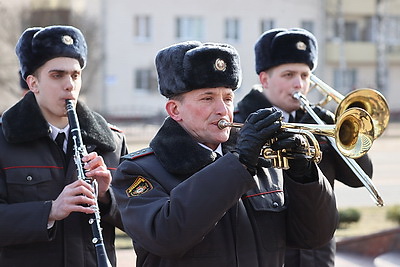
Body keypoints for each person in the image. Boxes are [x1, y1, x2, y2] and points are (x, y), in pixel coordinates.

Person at [112, 40, 338, 267]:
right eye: (208, 98)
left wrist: (305, 176)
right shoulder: (139, 170)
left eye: (228, 98)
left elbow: (313, 236)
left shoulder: (263, 162)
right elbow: (166, 236)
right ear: (175, 110)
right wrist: (239, 163)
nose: (223, 110)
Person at [234, 28, 373, 267]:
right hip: (267, 252)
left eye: (305, 75)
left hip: (318, 253)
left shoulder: (321, 122)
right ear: (264, 79)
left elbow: (359, 177)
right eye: (288, 74)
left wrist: (335, 127)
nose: (299, 84)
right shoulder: (240, 123)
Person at [0, 25, 128, 266]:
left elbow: (142, 221)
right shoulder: (3, 140)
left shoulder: (113, 142)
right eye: (57, 75)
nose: (70, 85)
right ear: (33, 83)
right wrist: (50, 211)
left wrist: (106, 196)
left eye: (75, 75)